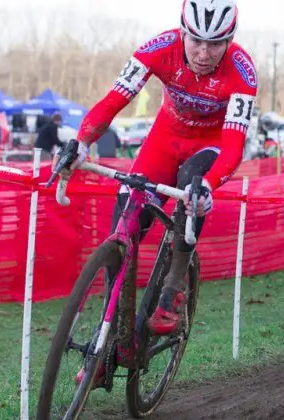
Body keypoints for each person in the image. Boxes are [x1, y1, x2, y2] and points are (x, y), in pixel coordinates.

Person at [56, 0, 256, 349]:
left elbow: (234, 143)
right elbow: (114, 100)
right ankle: (113, 326)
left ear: (230, 40)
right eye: (196, 40)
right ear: (182, 32)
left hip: (210, 145)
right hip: (165, 139)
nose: (204, 53)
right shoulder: (159, 48)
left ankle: (175, 282)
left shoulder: (242, 70)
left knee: (193, 189)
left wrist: (209, 185)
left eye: (215, 44)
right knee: (127, 217)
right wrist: (82, 141)